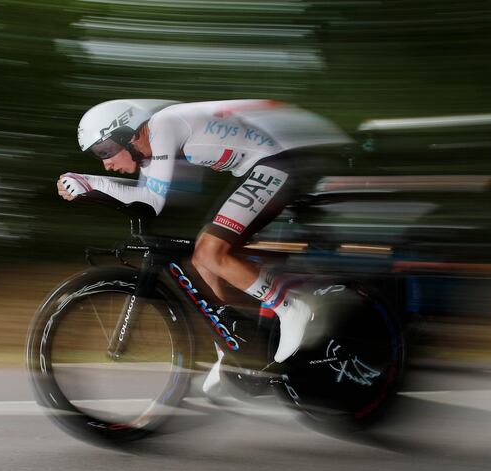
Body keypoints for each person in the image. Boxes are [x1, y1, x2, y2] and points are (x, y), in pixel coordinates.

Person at [58, 99, 352, 392]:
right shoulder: (152, 151)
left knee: (210, 251)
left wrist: (89, 182)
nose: (106, 162)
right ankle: (232, 349)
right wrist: (90, 185)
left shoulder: (164, 126)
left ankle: (290, 306)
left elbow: (153, 203)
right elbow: (145, 196)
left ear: (128, 133)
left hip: (282, 161)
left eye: (104, 150)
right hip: (261, 166)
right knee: (202, 260)